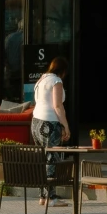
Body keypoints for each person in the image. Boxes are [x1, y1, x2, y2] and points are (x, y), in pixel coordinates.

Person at [31, 54, 69, 206]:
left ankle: (43, 195)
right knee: (51, 158)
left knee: (43, 158)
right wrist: (65, 125)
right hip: (49, 123)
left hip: (35, 122)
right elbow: (57, 106)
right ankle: (51, 198)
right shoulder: (56, 80)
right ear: (62, 70)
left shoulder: (41, 80)